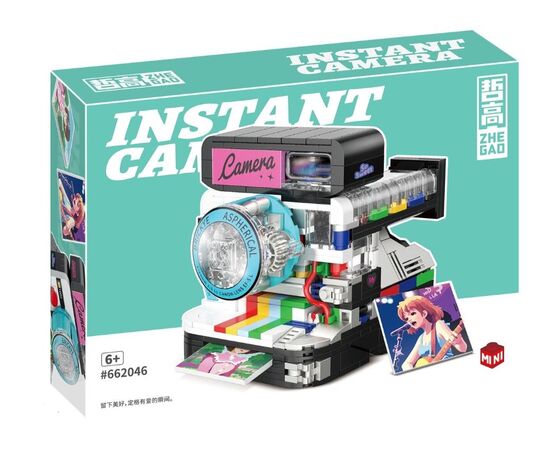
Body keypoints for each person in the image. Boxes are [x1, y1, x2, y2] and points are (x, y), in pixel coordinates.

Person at [397, 295, 467, 371]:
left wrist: (459, 342)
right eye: (406, 318)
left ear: (424, 313)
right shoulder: (421, 339)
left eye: (412, 314)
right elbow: (406, 364)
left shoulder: (438, 325)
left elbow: (462, 349)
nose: (409, 320)